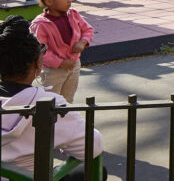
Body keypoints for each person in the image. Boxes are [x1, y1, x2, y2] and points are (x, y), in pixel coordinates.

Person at [0, 17, 103, 181]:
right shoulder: (49, 103)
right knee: (95, 169)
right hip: (30, 177)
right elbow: (92, 145)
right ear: (38, 63)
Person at [30, 0, 93, 101]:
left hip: (74, 65)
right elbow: (40, 51)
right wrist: (60, 63)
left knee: (67, 99)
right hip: (53, 71)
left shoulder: (73, 14)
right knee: (50, 100)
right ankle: (50, 121)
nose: (69, 0)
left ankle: (64, 119)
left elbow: (88, 29)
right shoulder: (41, 24)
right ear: (49, 1)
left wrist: (82, 42)